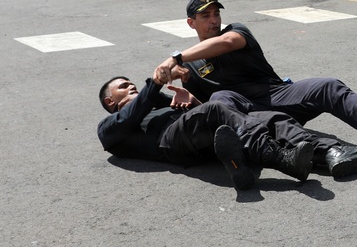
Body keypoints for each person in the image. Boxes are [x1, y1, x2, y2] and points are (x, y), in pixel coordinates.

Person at [154, 0, 357, 163]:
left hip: (277, 95)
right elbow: (215, 113)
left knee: (328, 85)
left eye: (216, 14)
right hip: (250, 117)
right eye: (206, 16)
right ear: (191, 22)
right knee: (220, 98)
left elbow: (226, 43)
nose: (214, 20)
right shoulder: (191, 66)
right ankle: (321, 153)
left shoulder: (235, 32)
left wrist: (177, 57)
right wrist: (190, 96)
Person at [98, 76, 317, 190]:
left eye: (132, 84)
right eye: (124, 87)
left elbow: (197, 114)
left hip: (199, 134)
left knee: (269, 118)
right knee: (216, 108)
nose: (132, 86)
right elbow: (130, 116)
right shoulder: (108, 127)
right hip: (170, 142)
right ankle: (281, 158)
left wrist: (193, 102)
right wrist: (154, 84)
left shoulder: (154, 103)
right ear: (110, 101)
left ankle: (320, 153)